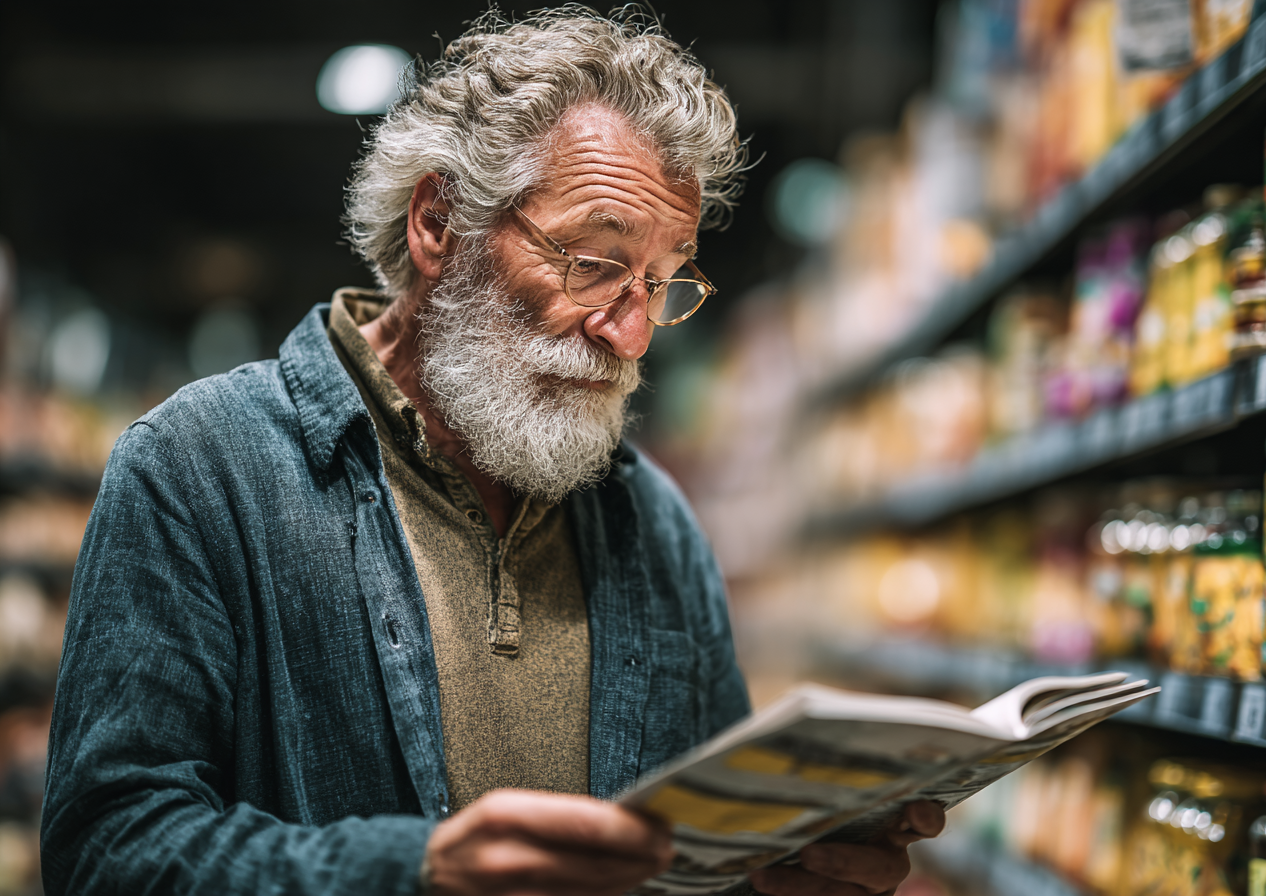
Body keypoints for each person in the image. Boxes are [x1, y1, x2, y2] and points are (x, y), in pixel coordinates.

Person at [41, 8, 943, 895]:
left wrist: (783, 873)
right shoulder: (199, 469)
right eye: (592, 260)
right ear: (438, 223)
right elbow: (108, 847)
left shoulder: (652, 524)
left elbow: (702, 852)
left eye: (661, 284)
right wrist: (415, 873)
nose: (630, 336)